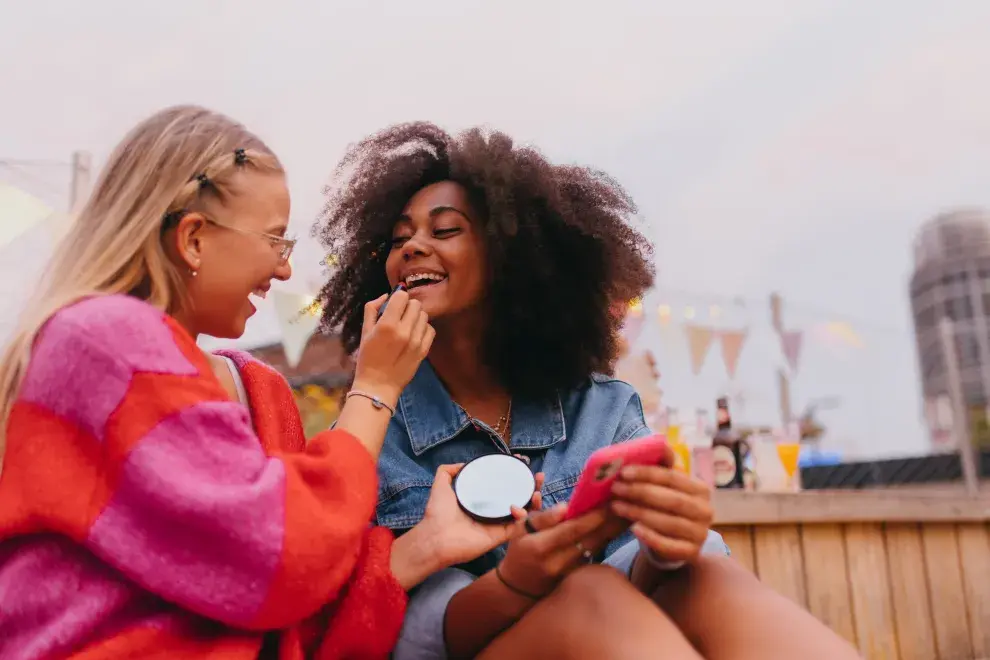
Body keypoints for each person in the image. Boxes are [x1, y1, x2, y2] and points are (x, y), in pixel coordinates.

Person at [316, 122, 863, 660]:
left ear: (513, 256)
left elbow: (645, 569)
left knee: (704, 576)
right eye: (398, 238)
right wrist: (517, 584)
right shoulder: (370, 432)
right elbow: (416, 635)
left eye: (444, 230)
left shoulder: (602, 408)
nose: (412, 247)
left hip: (615, 630)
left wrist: (667, 545)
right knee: (589, 592)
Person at [0, 107, 525, 660]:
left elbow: (293, 612)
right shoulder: (102, 341)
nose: (283, 272)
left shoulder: (260, 390)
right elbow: (281, 560)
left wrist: (428, 544)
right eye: (275, 241)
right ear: (195, 239)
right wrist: (375, 388)